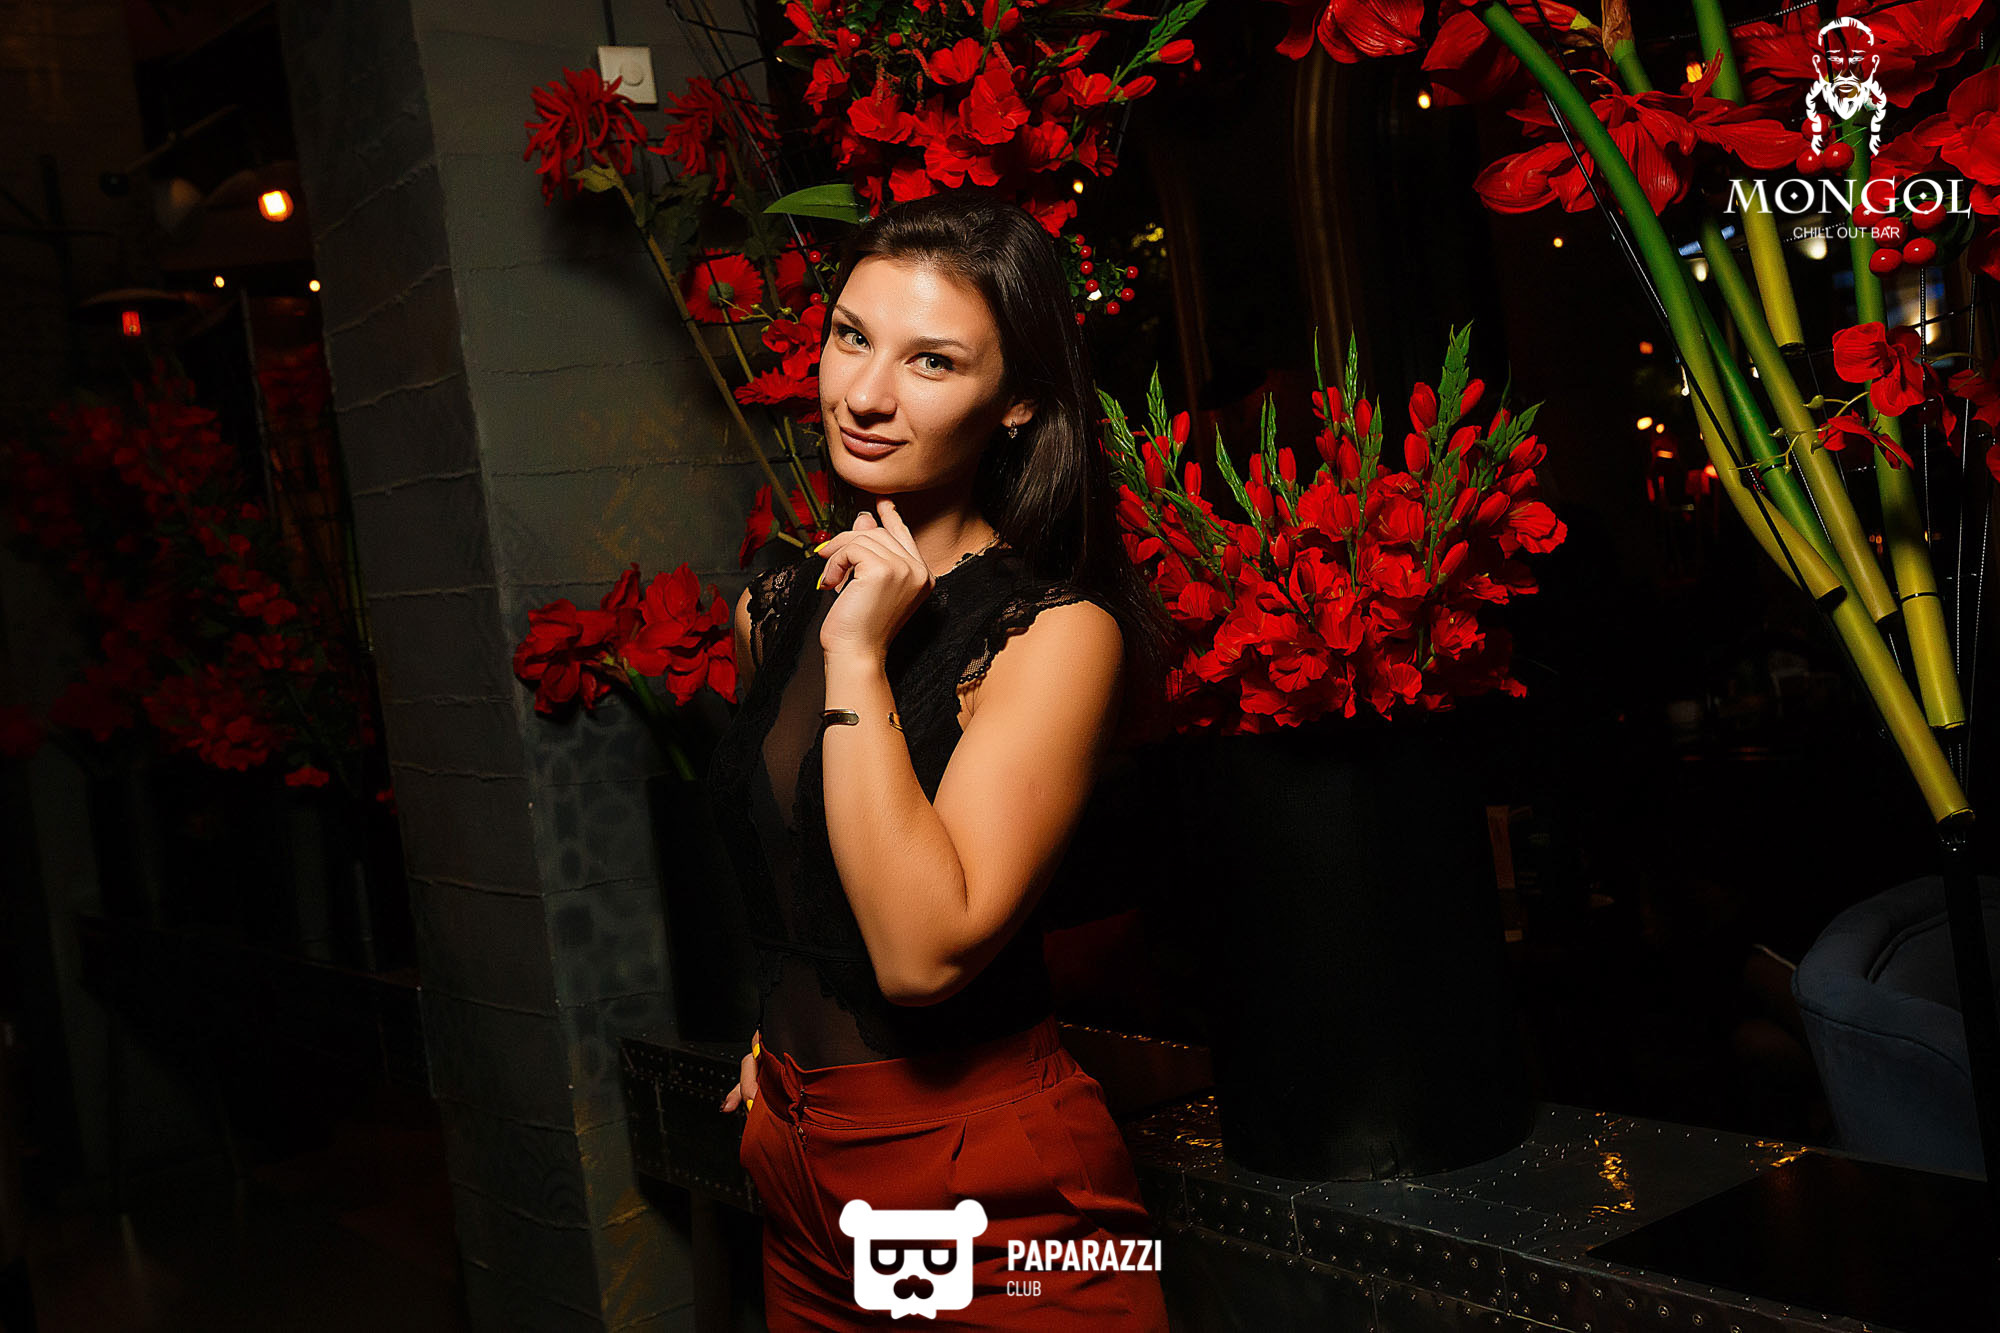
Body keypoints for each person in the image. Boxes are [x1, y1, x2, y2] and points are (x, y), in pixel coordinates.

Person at [704, 188, 1177, 1330]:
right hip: (797, 1178)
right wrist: (781, 1043)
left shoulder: (1057, 631)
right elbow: (796, 875)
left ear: (1016, 402)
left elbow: (923, 957)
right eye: (851, 336)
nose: (864, 393)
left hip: (987, 1191)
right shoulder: (771, 607)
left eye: (932, 361)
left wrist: (859, 654)